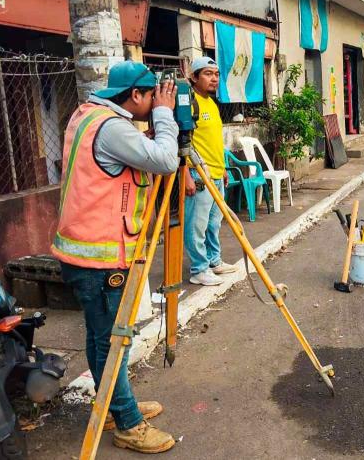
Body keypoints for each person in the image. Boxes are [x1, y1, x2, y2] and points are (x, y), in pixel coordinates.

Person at [51, 61, 178, 453]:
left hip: (80, 253)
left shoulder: (88, 115)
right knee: (113, 341)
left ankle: (108, 403)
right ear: (135, 95)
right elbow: (166, 161)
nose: (157, 100)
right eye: (152, 95)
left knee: (99, 336)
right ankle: (128, 423)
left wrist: (151, 129)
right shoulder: (112, 128)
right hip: (101, 259)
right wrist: (165, 116)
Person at [183, 56, 237, 286]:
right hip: (198, 174)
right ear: (194, 77)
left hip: (216, 172)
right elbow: (180, 142)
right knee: (196, 225)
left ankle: (214, 261)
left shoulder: (212, 104)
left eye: (216, 74)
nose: (214, 79)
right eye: (207, 73)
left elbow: (213, 140)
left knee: (214, 223)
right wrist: (186, 175)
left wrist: (223, 168)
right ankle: (199, 269)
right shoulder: (188, 102)